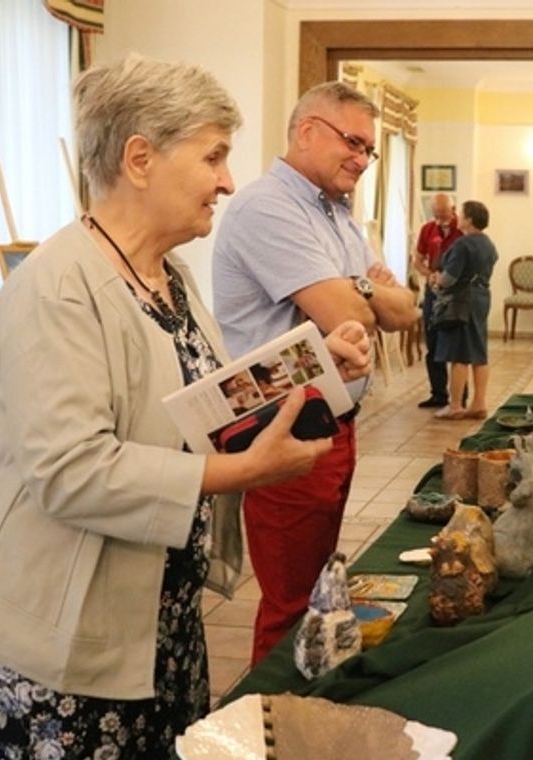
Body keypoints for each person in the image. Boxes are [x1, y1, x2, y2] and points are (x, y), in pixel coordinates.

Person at [0, 56, 370, 757]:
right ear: (140, 158)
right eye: (213, 156)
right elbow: (73, 472)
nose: (228, 181)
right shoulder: (57, 291)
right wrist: (241, 474)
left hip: (157, 623)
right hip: (64, 640)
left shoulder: (166, 276)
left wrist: (320, 366)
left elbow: (197, 406)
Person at [213, 81, 418, 665]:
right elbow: (354, 314)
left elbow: (405, 312)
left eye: (369, 150)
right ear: (306, 132)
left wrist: (365, 293)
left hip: (334, 422)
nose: (361, 158)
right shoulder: (268, 208)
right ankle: (267, 725)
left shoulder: (337, 214)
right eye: (352, 142)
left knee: (317, 589)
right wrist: (365, 287)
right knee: (290, 602)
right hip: (284, 426)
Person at [431, 200, 498, 420]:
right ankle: (479, 403)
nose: (457, 216)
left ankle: (456, 405)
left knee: (458, 353)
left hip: (462, 301)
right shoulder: (488, 243)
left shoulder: (463, 244)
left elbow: (450, 278)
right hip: (481, 298)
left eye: (460, 213)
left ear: (469, 219)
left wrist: (437, 280)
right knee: (479, 352)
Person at [414, 192, 464, 408]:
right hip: (433, 291)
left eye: (443, 213)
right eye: (436, 213)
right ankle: (438, 394)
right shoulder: (427, 229)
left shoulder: (463, 230)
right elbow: (417, 260)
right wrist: (430, 275)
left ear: (453, 210)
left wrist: (447, 279)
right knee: (433, 344)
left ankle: (459, 396)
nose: (440, 217)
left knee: (456, 345)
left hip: (456, 294)